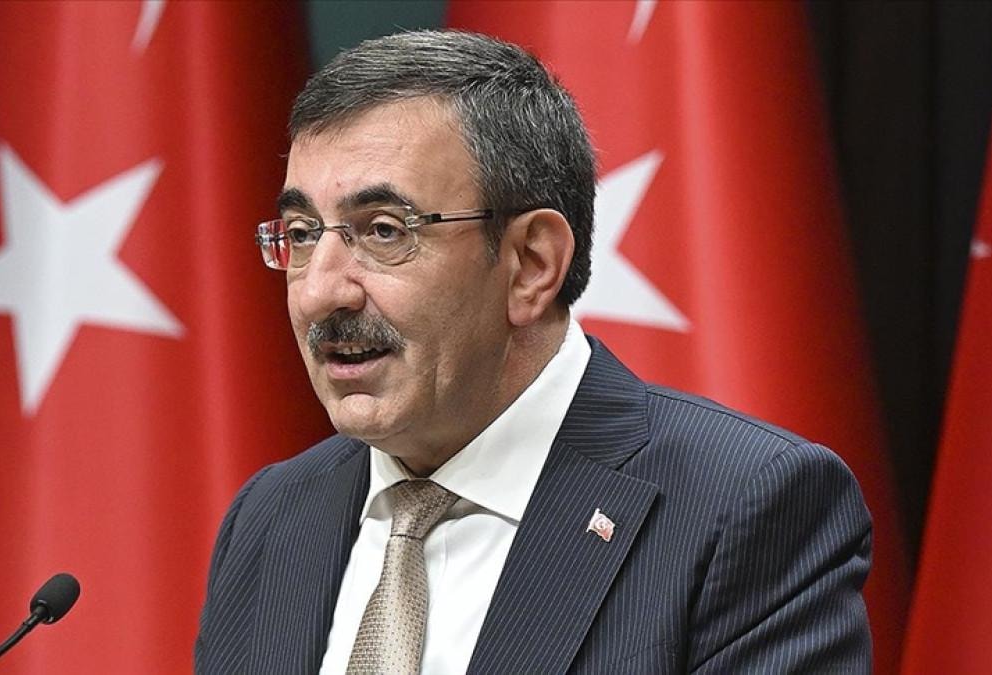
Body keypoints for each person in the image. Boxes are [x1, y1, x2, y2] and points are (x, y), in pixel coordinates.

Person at [196, 30, 872, 674]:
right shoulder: (271, 516)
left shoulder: (744, 505)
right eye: (301, 233)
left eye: (382, 231)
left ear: (531, 265)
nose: (319, 292)